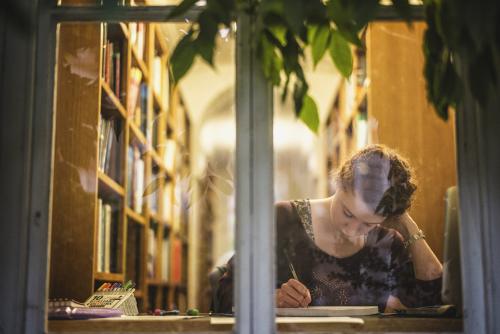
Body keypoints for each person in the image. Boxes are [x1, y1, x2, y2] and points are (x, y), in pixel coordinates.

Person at [214, 144, 443, 313]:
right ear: (339, 183)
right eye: (347, 212)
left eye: (368, 223)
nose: (352, 229)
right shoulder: (282, 219)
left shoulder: (387, 242)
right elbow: (223, 294)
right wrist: (271, 298)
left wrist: (404, 219)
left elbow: (429, 302)